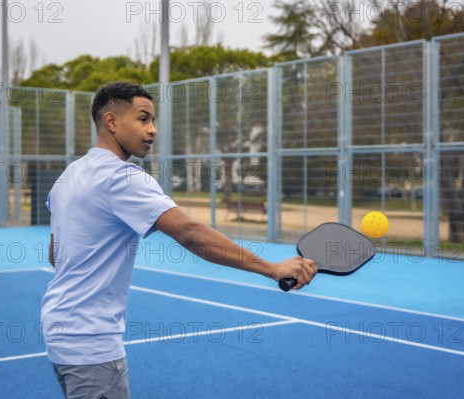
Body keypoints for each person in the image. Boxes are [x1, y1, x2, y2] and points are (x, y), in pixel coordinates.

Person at [40, 82, 317, 399]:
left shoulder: (69, 176)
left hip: (58, 327)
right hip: (91, 341)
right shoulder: (122, 177)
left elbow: (55, 255)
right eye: (143, 119)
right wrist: (272, 268)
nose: (153, 129)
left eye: (153, 120)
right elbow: (189, 232)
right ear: (112, 122)